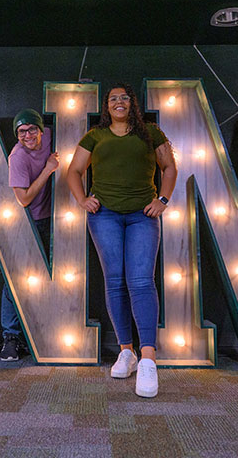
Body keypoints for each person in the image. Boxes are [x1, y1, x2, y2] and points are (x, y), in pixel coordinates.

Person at [66, 83, 177, 397]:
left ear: (132, 104)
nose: (119, 101)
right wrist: (82, 200)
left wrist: (163, 200)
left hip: (143, 215)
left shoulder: (150, 133)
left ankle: (148, 360)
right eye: (113, 98)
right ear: (107, 106)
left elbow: (169, 168)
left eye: (124, 97)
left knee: (141, 281)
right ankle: (126, 351)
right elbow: (74, 171)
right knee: (115, 282)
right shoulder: (95, 136)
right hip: (105, 216)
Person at [3, 109, 59, 361]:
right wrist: (48, 170)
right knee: (16, 278)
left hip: (56, 217)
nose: (27, 135)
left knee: (55, 276)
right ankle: (10, 337)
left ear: (40, 129)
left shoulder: (50, 135)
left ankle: (46, 334)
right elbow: (23, 199)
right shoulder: (17, 156)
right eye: (21, 131)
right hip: (30, 222)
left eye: (31, 129)